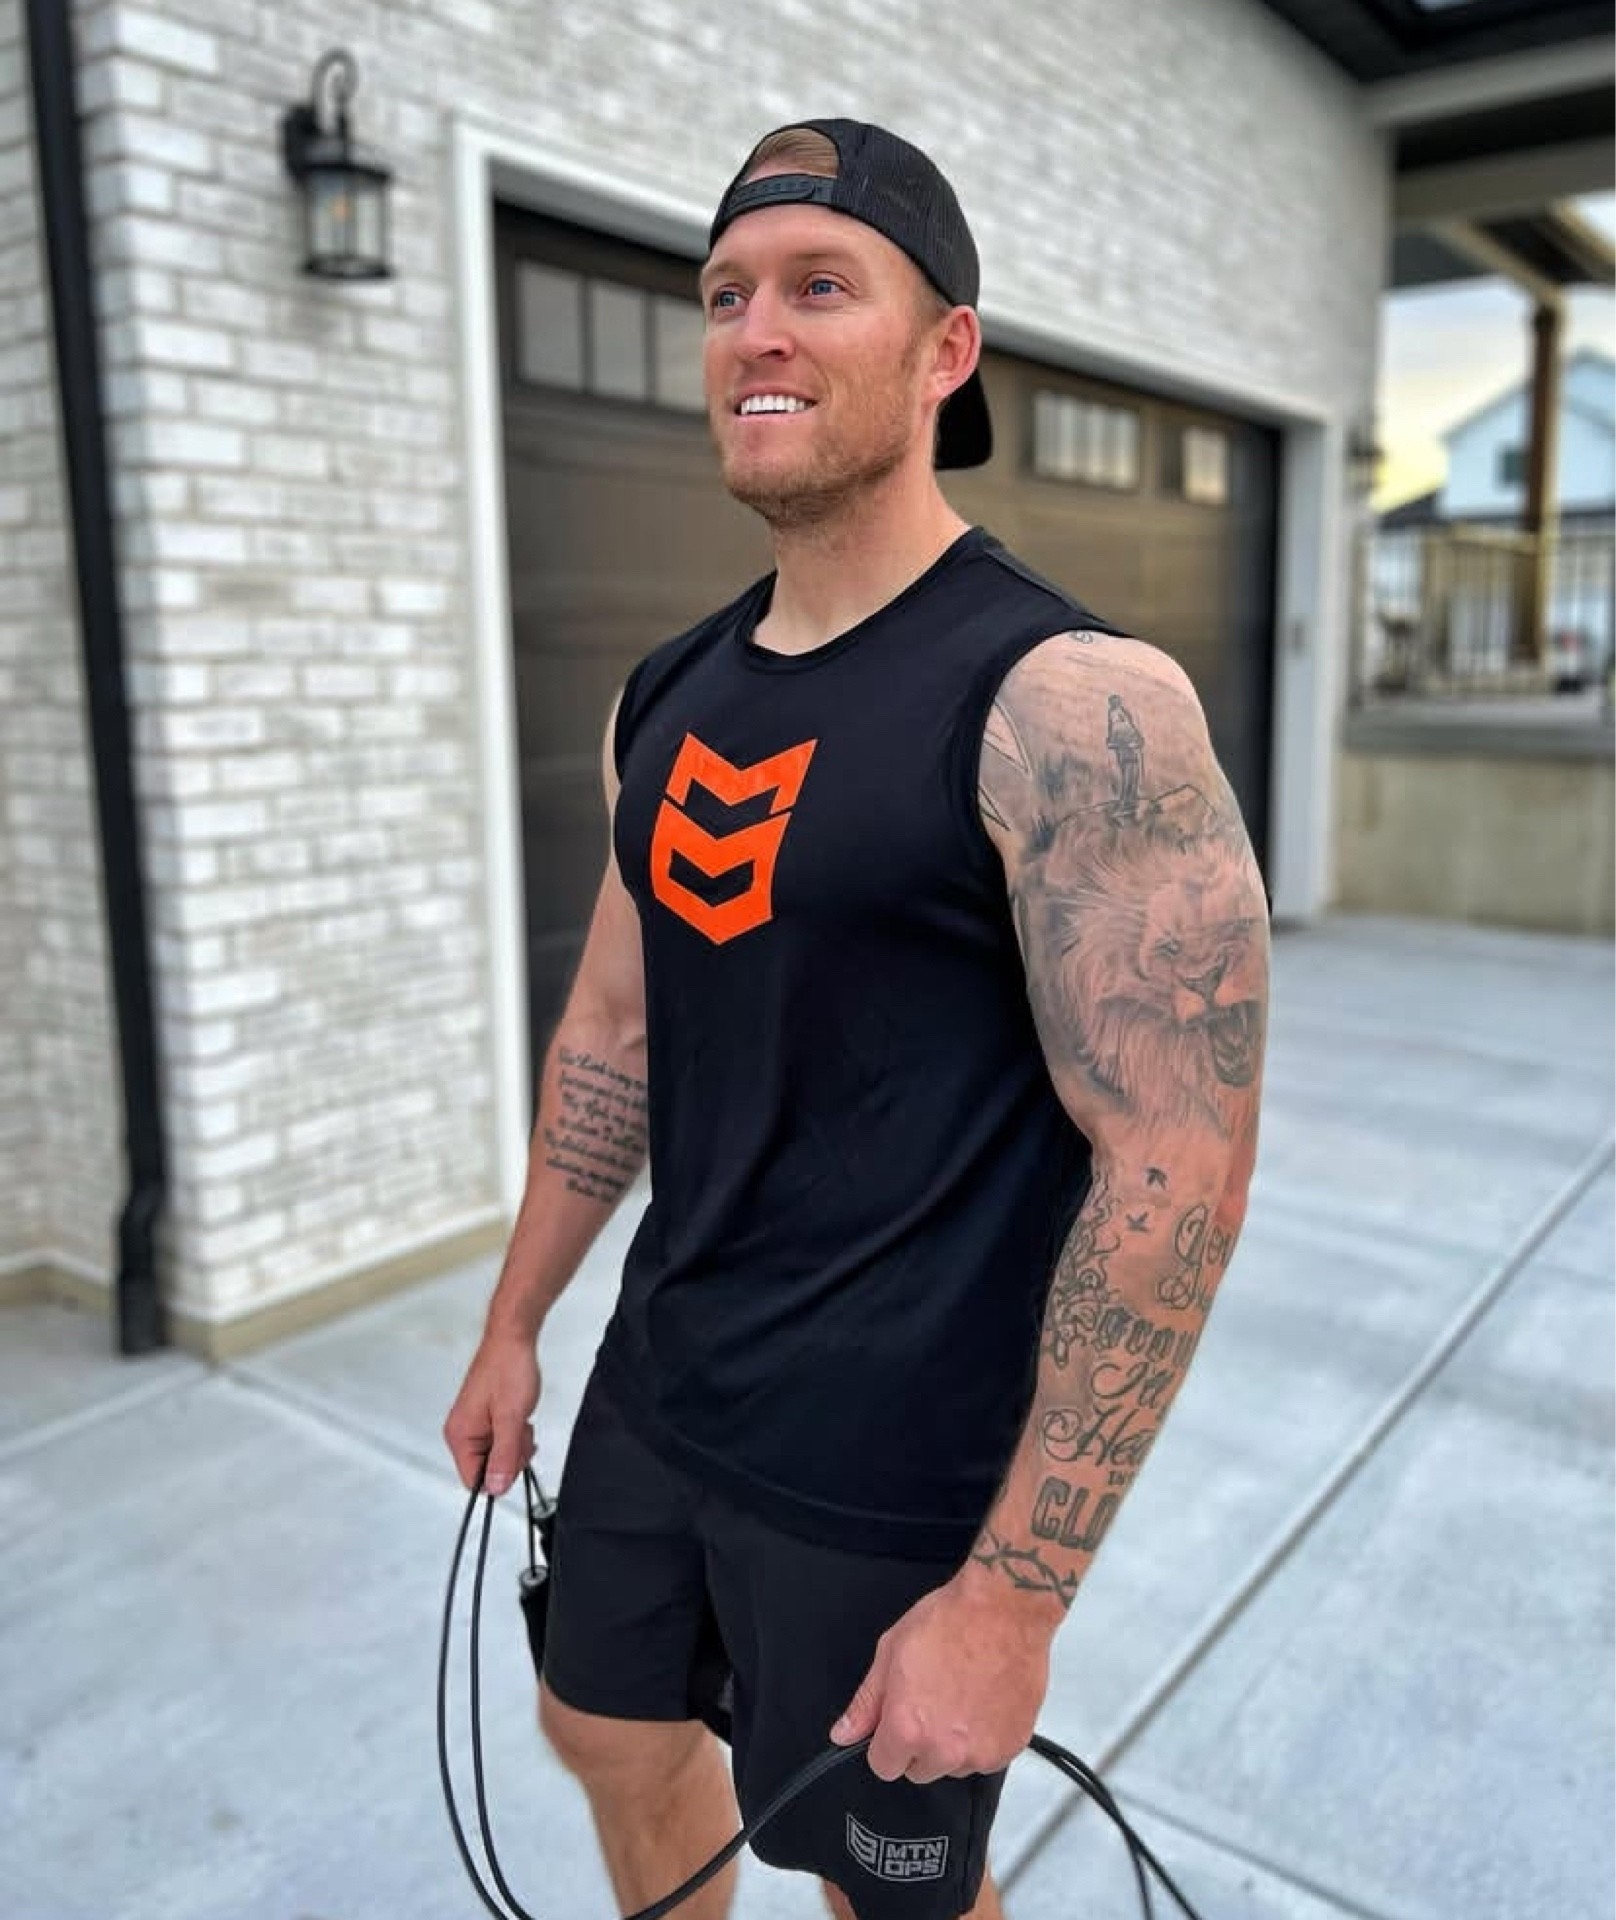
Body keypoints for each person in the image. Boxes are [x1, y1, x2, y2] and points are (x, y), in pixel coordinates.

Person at [444, 118, 1269, 1920]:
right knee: (602, 1730)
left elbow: (1179, 1167)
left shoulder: (1071, 705)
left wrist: (1012, 1603)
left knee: (883, 1888)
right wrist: (516, 1323)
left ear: (946, 349)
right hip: (665, 1380)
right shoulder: (666, 695)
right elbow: (612, 1034)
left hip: (892, 1462)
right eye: (726, 294)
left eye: (822, 287)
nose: (758, 331)